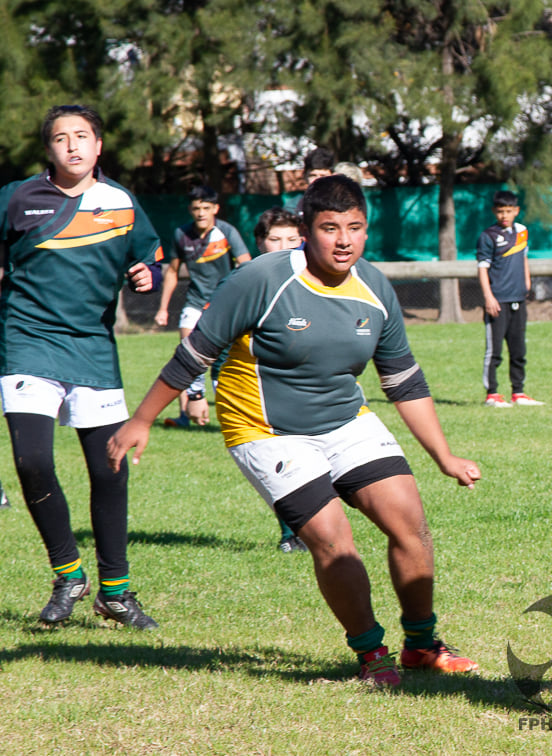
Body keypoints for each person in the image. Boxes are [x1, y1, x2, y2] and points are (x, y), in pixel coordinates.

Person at [108, 175, 481, 684]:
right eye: (330, 228)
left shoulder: (373, 286)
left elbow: (402, 381)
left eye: (355, 227)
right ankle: (372, 655)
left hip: (345, 421)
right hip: (266, 430)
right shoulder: (261, 279)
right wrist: (143, 419)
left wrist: (445, 456)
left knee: (409, 521)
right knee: (334, 539)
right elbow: (195, 352)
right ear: (306, 229)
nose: (344, 240)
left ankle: (421, 643)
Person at [0, 104, 163, 629]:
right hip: (27, 342)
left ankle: (115, 592)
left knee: (108, 470)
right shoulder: (16, 198)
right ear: (47, 149)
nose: (72, 145)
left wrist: (146, 274)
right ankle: (68, 573)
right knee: (31, 462)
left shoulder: (120, 202)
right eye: (60, 138)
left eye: (82, 136)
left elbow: (149, 258)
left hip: (93, 347)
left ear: (98, 146)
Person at [155, 185, 251, 427]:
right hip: (196, 301)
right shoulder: (181, 234)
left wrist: (239, 298)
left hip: (223, 303)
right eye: (196, 208)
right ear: (190, 210)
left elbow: (246, 265)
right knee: (187, 343)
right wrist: (163, 308)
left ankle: (233, 413)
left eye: (206, 208)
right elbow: (173, 272)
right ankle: (189, 409)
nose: (200, 213)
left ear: (215, 209)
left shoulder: (227, 232)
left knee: (222, 360)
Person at [251, 205, 307, 553]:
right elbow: (214, 339)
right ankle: (291, 534)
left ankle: (310, 530)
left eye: (291, 238)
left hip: (311, 385)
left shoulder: (314, 278)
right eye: (275, 239)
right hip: (261, 389)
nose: (283, 245)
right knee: (283, 465)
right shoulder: (248, 283)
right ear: (260, 242)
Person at [477, 190, 542, 408]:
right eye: (500, 211)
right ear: (494, 212)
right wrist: (489, 297)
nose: (504, 215)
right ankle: (492, 394)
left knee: (518, 350)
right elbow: (482, 269)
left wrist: (527, 284)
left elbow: (523, 259)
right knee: (494, 351)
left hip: (518, 298)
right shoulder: (488, 236)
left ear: (516, 211)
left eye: (508, 211)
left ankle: (518, 393)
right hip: (497, 301)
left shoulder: (522, 232)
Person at [285, 147, 335, 214]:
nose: (318, 180)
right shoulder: (294, 207)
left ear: (333, 177)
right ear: (304, 176)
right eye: (313, 175)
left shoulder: (343, 204)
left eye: (323, 176)